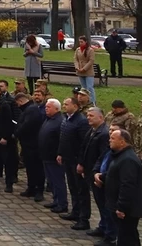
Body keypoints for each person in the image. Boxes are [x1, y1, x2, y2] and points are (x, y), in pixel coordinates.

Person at [98, 129, 142, 246]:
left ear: (122, 142)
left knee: (127, 238)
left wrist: (121, 207)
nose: (109, 140)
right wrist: (101, 177)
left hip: (128, 210)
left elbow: (127, 185)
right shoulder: (120, 156)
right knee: (126, 237)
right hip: (120, 206)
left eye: (113, 138)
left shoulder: (128, 159)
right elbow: (115, 175)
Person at [59, 97, 90, 227]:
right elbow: (63, 137)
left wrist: (81, 162)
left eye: (67, 104)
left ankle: (84, 218)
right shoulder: (67, 118)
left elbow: (84, 143)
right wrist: (60, 153)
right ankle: (75, 211)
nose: (64, 106)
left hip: (76, 160)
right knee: (72, 187)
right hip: (67, 158)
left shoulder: (81, 121)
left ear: (75, 106)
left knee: (81, 190)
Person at [82, 107, 111, 240]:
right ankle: (103, 226)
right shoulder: (92, 130)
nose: (88, 117)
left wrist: (97, 172)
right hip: (90, 171)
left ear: (101, 117)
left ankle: (107, 230)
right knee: (99, 202)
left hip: (98, 174)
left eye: (91, 115)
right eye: (88, 115)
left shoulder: (104, 133)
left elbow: (103, 156)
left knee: (103, 202)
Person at [15, 92, 45, 202]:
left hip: (33, 145)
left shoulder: (31, 109)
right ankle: (31, 187)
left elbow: (27, 125)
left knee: (37, 168)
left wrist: (17, 132)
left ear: (21, 101)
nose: (18, 106)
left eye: (18, 103)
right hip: (27, 145)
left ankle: (39, 190)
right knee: (30, 168)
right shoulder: (29, 109)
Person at [41, 99, 68, 213]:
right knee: (52, 181)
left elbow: (62, 140)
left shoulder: (59, 121)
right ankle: (56, 200)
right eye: (46, 106)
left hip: (54, 157)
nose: (46, 108)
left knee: (58, 181)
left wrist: (59, 153)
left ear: (56, 109)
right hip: (46, 156)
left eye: (49, 107)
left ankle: (62, 203)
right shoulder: (49, 119)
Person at [74, 36, 96, 104]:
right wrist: (77, 67)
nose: (80, 43)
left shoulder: (90, 50)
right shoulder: (78, 50)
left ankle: (92, 101)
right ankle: (84, 101)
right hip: (80, 71)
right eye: (79, 42)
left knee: (89, 87)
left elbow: (91, 61)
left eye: (82, 42)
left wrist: (84, 68)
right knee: (83, 88)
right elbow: (75, 59)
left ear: (85, 42)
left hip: (88, 71)